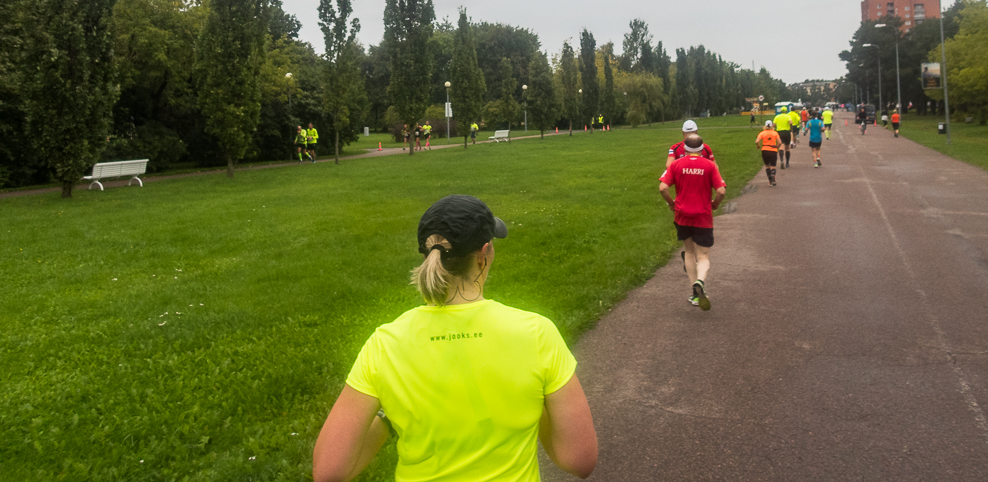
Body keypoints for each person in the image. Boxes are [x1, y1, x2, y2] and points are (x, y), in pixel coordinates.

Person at [312, 195, 598, 482]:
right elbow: (578, 460)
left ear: (426, 256)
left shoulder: (385, 342)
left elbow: (328, 472)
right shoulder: (537, 333)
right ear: (483, 253)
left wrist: (388, 420)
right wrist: (536, 404)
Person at [658, 134, 727, 311]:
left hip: (682, 215)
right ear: (702, 148)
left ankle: (695, 294)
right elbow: (720, 191)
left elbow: (663, 188)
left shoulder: (675, 165)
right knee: (703, 256)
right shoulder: (710, 166)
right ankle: (700, 280)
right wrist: (715, 205)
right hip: (703, 215)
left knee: (689, 252)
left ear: (685, 149)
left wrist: (671, 203)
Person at [755, 120, 781, 186]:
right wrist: (777, 146)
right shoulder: (775, 133)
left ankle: (770, 181)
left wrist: (758, 145)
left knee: (767, 166)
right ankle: (773, 174)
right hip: (773, 150)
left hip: (765, 150)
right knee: (773, 166)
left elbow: (757, 141)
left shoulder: (762, 133)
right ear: (772, 125)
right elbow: (780, 142)